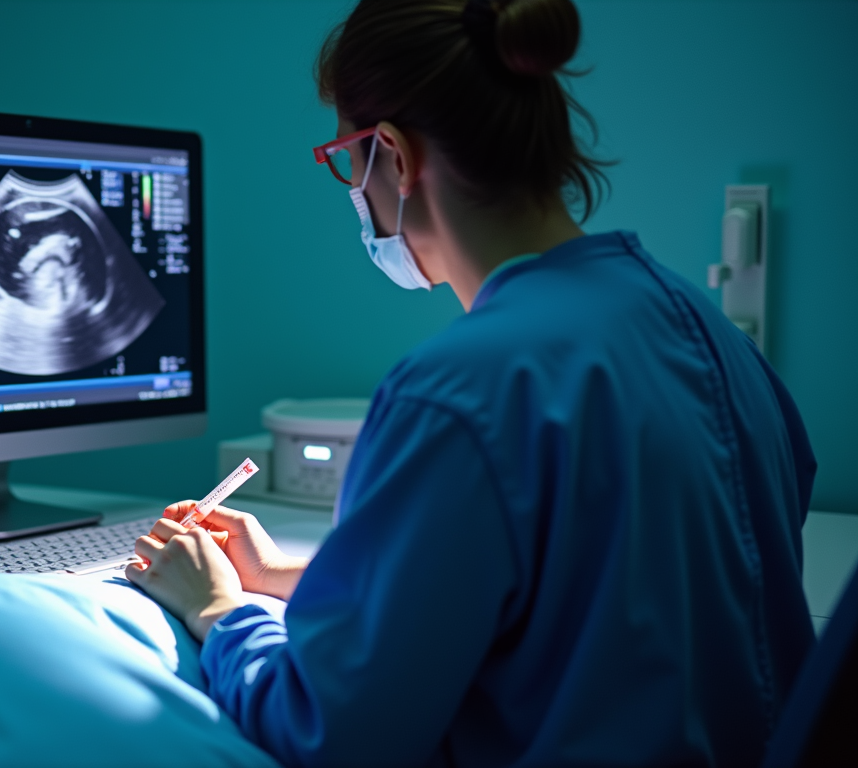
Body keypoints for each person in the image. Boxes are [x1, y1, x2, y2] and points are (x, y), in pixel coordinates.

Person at [123, 0, 817, 765]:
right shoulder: (712, 336)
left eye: (346, 161)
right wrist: (283, 576)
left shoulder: (458, 391)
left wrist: (220, 610)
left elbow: (330, 731)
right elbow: (595, 587)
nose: (354, 186)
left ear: (393, 154)